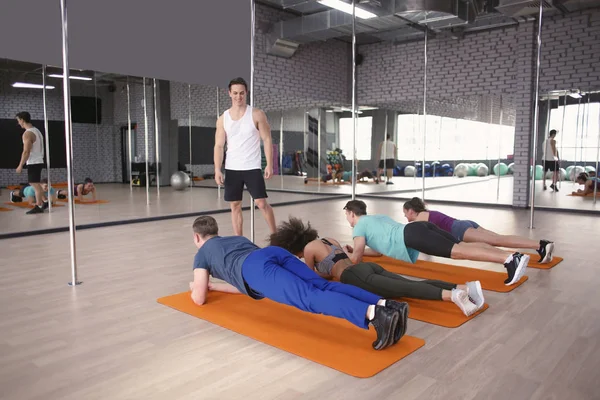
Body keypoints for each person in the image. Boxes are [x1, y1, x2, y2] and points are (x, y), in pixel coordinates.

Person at [188, 216, 408, 350]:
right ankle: (386, 305)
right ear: (215, 232)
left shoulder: (202, 254)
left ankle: (373, 314)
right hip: (271, 254)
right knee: (323, 286)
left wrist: (195, 288)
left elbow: (199, 298)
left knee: (309, 298)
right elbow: (244, 281)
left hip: (255, 269)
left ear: (197, 237)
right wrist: (216, 286)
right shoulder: (236, 239)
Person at [269, 217, 485, 317]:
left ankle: (452, 296)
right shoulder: (329, 239)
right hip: (367, 268)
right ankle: (465, 288)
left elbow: (314, 279)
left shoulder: (308, 250)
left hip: (354, 277)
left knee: (407, 289)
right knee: (408, 284)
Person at [342, 200, 530, 286]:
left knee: (458, 252)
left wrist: (347, 253)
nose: (348, 220)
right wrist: (359, 251)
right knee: (462, 247)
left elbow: (356, 259)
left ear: (352, 213)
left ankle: (509, 258)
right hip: (420, 228)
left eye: (347, 216)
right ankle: (512, 256)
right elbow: (377, 251)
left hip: (412, 236)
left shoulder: (358, 227)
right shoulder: (375, 218)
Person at [402, 197, 554, 264]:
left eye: (405, 213)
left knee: (497, 241)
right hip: (464, 224)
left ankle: (540, 245)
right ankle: (539, 247)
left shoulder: (420, 217)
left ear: (411, 210)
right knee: (498, 239)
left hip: (460, 230)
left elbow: (422, 239)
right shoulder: (429, 213)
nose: (405, 217)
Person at [214, 77, 276, 236]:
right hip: (232, 168)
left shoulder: (256, 114)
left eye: (241, 93)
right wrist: (217, 169)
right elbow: (219, 146)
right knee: (235, 205)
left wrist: (269, 164)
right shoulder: (223, 118)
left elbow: (267, 139)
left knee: (261, 203)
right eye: (235, 93)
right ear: (229, 93)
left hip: (252, 166)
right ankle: (239, 240)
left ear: (246, 93)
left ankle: (276, 236)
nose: (238, 96)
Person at [15, 111, 45, 215]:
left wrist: (20, 165)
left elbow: (26, 151)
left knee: (35, 185)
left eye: (18, 121)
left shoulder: (27, 133)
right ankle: (43, 202)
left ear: (22, 120)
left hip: (34, 162)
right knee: (35, 184)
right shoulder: (37, 131)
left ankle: (38, 206)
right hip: (38, 160)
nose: (18, 123)